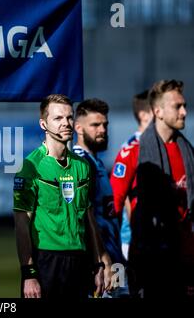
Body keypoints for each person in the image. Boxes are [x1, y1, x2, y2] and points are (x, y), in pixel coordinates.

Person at [13, 94, 112, 299]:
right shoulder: (30, 167)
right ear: (43, 124)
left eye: (68, 117)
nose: (65, 123)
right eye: (58, 118)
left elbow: (88, 217)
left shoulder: (83, 166)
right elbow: (22, 225)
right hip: (46, 262)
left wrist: (98, 263)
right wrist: (29, 274)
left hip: (80, 261)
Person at [111, 80, 194, 298]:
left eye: (184, 105)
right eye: (178, 106)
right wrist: (109, 256)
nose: (184, 112)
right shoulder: (133, 153)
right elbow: (114, 205)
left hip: (185, 261)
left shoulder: (188, 152)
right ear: (157, 111)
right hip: (149, 259)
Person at [73, 98, 128, 297]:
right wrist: (103, 261)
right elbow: (86, 217)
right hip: (102, 263)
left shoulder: (96, 162)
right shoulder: (81, 163)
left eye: (105, 124)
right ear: (78, 128)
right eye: (95, 125)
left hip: (114, 257)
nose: (102, 129)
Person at [111, 90, 153, 262]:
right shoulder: (132, 148)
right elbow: (122, 196)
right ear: (144, 115)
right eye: (156, 110)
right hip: (132, 239)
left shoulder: (153, 144)